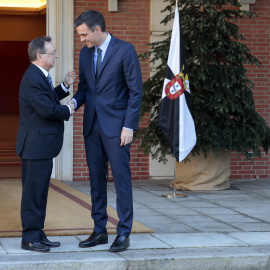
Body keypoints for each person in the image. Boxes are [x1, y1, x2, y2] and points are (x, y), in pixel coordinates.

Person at [68, 10, 142, 252]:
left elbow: (135, 92)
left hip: (118, 128)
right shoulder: (84, 53)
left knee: (121, 179)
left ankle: (124, 232)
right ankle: (99, 230)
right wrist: (72, 105)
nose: (82, 40)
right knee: (96, 181)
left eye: (84, 35)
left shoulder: (125, 50)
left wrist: (129, 126)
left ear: (97, 30)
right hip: (92, 126)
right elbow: (85, 89)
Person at [16, 36, 76, 252]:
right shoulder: (33, 78)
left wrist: (64, 86)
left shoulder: (40, 75)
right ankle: (30, 239)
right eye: (53, 53)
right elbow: (47, 110)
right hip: (35, 146)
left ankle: (37, 233)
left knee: (40, 192)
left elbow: (48, 98)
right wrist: (69, 108)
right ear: (40, 56)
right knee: (33, 194)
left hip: (41, 146)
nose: (56, 56)